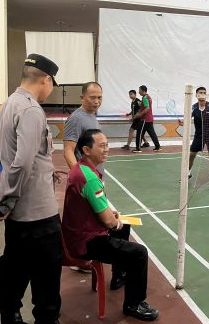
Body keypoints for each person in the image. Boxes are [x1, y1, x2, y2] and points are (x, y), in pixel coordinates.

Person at [0, 54, 62, 324]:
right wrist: (8, 198)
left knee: (14, 270)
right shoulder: (31, 109)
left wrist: (6, 196)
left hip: (19, 216)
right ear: (46, 79)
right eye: (52, 84)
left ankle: (10, 316)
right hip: (39, 216)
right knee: (46, 284)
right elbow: (23, 162)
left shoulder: (8, 104)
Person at [62, 129, 159, 321]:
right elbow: (107, 221)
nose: (106, 149)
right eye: (102, 146)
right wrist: (114, 221)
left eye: (107, 145)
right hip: (86, 242)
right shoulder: (90, 178)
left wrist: (112, 219)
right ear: (86, 150)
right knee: (139, 253)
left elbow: (93, 207)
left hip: (77, 232)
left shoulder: (81, 169)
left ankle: (118, 277)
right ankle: (133, 305)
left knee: (124, 228)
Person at [62, 81, 129, 288]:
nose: (97, 101)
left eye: (100, 97)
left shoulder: (91, 116)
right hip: (89, 182)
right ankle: (89, 258)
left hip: (95, 179)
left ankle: (114, 270)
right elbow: (68, 150)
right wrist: (83, 176)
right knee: (105, 223)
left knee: (107, 221)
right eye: (92, 97)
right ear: (82, 97)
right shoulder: (76, 118)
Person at [132, 85, 162, 153]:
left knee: (139, 134)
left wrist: (138, 115)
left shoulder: (145, 98)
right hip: (149, 119)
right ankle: (158, 147)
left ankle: (138, 148)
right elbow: (144, 108)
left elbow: (147, 108)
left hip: (145, 119)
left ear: (143, 91)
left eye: (139, 90)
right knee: (152, 134)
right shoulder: (148, 97)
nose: (139, 92)